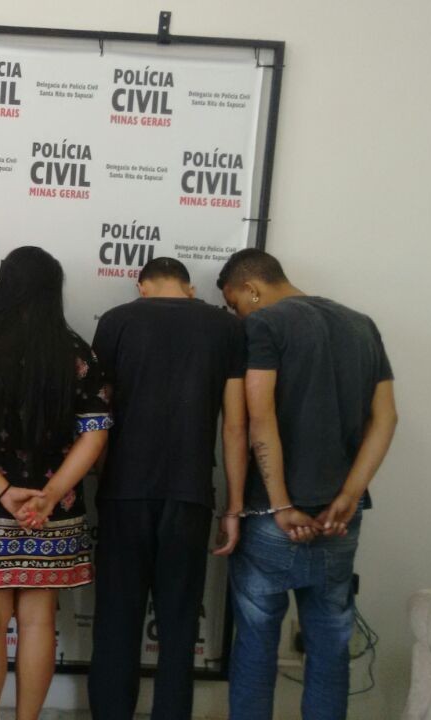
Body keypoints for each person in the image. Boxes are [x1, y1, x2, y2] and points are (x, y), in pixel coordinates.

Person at [217, 249, 398, 720]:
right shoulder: (362, 325)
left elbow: (259, 418)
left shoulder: (264, 325)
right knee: (331, 644)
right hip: (340, 518)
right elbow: (386, 418)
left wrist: (281, 504)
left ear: (252, 289)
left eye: (234, 304)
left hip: (272, 518)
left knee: (256, 643)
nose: (237, 316)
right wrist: (349, 496)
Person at [0, 246, 110, 720]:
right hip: (53, 509)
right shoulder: (76, 351)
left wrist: (2, 491)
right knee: (38, 624)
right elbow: (95, 433)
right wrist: (50, 495)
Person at [88, 257, 247, 720]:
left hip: (123, 490)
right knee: (178, 629)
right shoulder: (226, 327)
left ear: (141, 287)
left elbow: (98, 414)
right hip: (190, 493)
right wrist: (234, 507)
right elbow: (235, 426)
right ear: (190, 288)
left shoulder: (115, 321)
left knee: (116, 622)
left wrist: (99, 476)